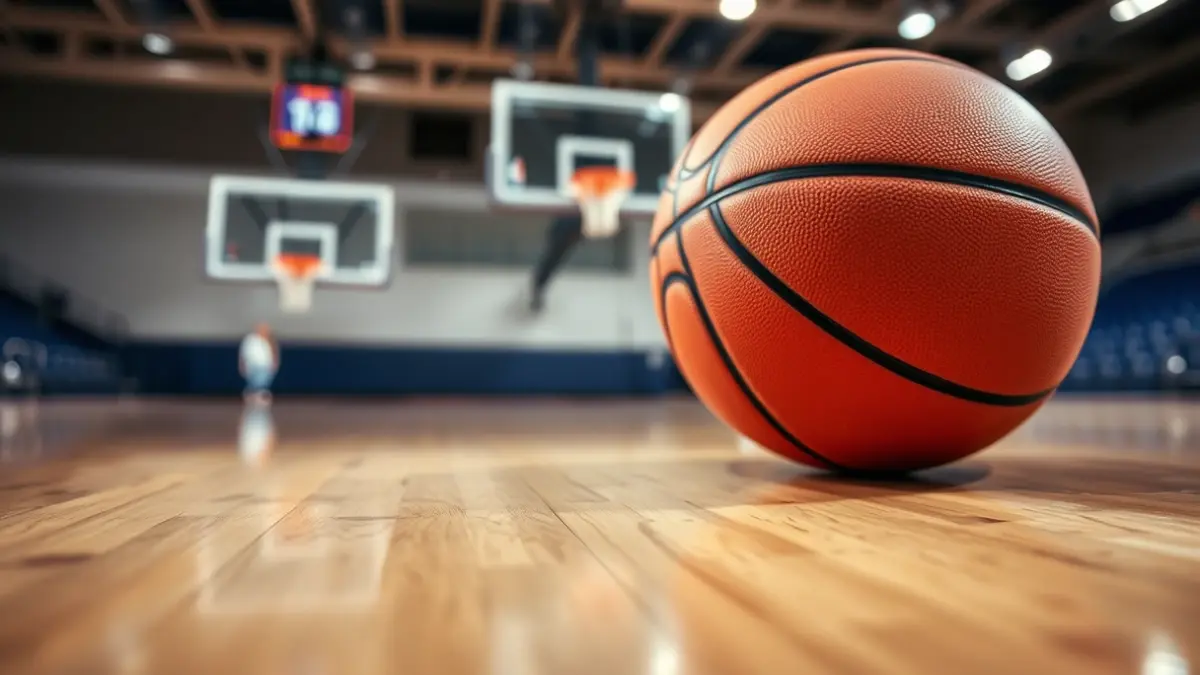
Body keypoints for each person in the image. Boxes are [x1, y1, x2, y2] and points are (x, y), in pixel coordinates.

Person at [239, 323, 279, 404]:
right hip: (252, 365)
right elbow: (243, 354)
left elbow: (273, 353)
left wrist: (274, 363)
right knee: (254, 383)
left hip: (264, 365)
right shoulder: (250, 339)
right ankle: (252, 397)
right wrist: (242, 365)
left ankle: (260, 397)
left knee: (262, 383)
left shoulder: (268, 340)